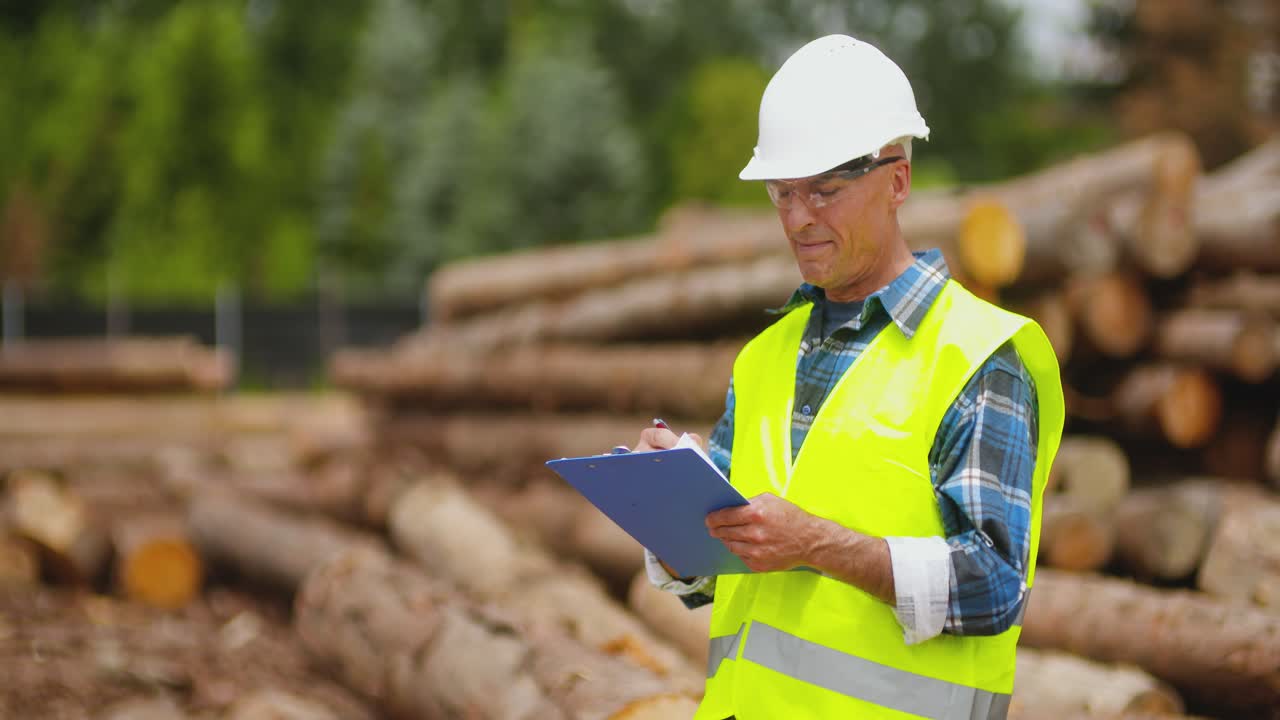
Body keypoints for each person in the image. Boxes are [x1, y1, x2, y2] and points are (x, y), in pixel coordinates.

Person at [634, 35, 1064, 720]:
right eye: (782, 193)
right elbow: (719, 575)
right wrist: (668, 506)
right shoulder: (765, 357)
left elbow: (994, 586)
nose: (798, 219)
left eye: (824, 191)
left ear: (897, 181)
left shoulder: (978, 357)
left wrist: (816, 544)